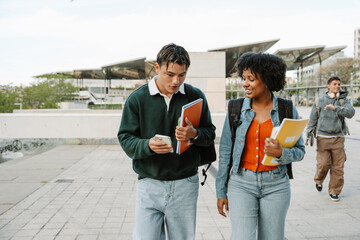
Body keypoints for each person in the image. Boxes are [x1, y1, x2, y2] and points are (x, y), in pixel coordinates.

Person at [117, 43, 215, 240]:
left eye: (182, 75)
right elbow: (125, 138)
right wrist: (147, 145)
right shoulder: (137, 99)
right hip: (149, 184)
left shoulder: (195, 96)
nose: (176, 81)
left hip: (185, 184)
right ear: (156, 67)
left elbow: (210, 133)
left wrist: (193, 134)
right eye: (170, 74)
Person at [215, 52, 305, 240]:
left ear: (267, 80)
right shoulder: (235, 108)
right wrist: (221, 191)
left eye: (251, 79)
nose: (245, 83)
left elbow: (300, 151)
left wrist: (282, 153)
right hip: (241, 184)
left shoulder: (286, 109)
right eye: (244, 78)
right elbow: (225, 152)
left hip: (277, 185)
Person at [306, 76, 355, 201]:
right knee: (323, 164)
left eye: (339, 84)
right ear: (328, 86)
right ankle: (319, 180)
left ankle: (334, 191)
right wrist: (309, 134)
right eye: (334, 84)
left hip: (338, 138)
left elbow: (351, 113)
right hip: (323, 138)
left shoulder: (343, 100)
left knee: (338, 167)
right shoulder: (320, 100)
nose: (337, 86)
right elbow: (313, 118)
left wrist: (337, 108)